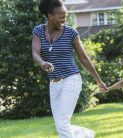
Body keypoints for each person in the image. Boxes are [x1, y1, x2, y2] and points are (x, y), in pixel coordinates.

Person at [31, 0, 107, 137]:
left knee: (62, 123)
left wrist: (98, 80)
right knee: (60, 123)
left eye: (65, 16)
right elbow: (35, 53)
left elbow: (84, 58)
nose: (64, 20)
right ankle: (86, 134)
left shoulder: (71, 33)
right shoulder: (39, 31)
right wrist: (42, 62)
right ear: (50, 16)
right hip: (53, 83)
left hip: (71, 80)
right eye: (61, 16)